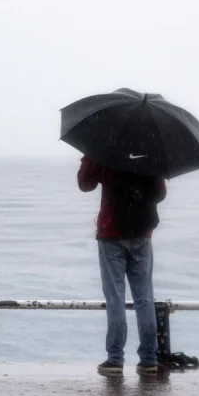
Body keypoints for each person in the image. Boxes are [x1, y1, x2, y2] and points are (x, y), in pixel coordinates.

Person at [78, 155, 167, 375]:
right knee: (144, 298)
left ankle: (115, 359)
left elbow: (85, 184)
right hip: (141, 232)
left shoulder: (106, 147)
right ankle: (148, 359)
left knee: (115, 297)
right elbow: (160, 194)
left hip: (111, 233)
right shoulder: (149, 148)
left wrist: (89, 157)